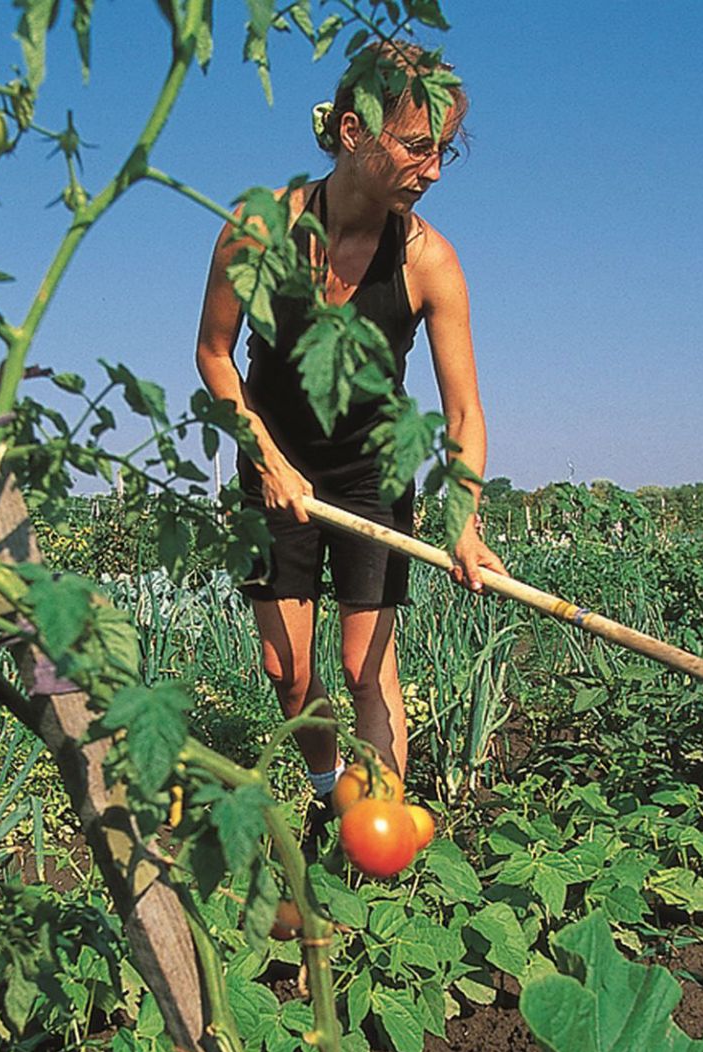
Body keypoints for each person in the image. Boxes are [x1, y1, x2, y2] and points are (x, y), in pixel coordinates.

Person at [193, 42, 505, 825]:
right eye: (417, 146)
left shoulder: (430, 261)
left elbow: (463, 414)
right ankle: (336, 794)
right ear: (353, 130)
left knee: (365, 670)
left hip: (372, 475)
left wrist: (464, 521)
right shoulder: (259, 228)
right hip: (275, 461)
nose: (433, 170)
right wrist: (265, 459)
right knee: (286, 670)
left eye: (444, 151)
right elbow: (214, 355)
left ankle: (385, 835)